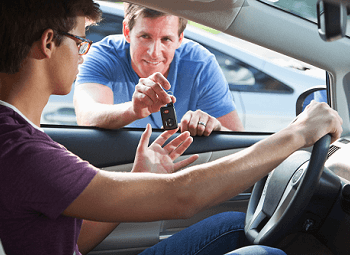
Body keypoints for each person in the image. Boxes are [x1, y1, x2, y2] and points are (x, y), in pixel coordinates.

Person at [0, 0, 343, 255]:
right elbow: (182, 196)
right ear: (48, 43)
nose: (82, 55)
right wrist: (296, 133)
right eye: (78, 42)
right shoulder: (22, 151)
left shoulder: (18, 135)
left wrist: (138, 176)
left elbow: (72, 242)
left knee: (230, 226)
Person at [73, 3, 244, 136]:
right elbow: (87, 116)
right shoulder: (102, 57)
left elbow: (239, 144)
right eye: (145, 36)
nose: (154, 52)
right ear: (126, 31)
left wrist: (216, 128)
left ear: (180, 39)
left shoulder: (200, 64)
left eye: (166, 39)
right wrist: (133, 110)